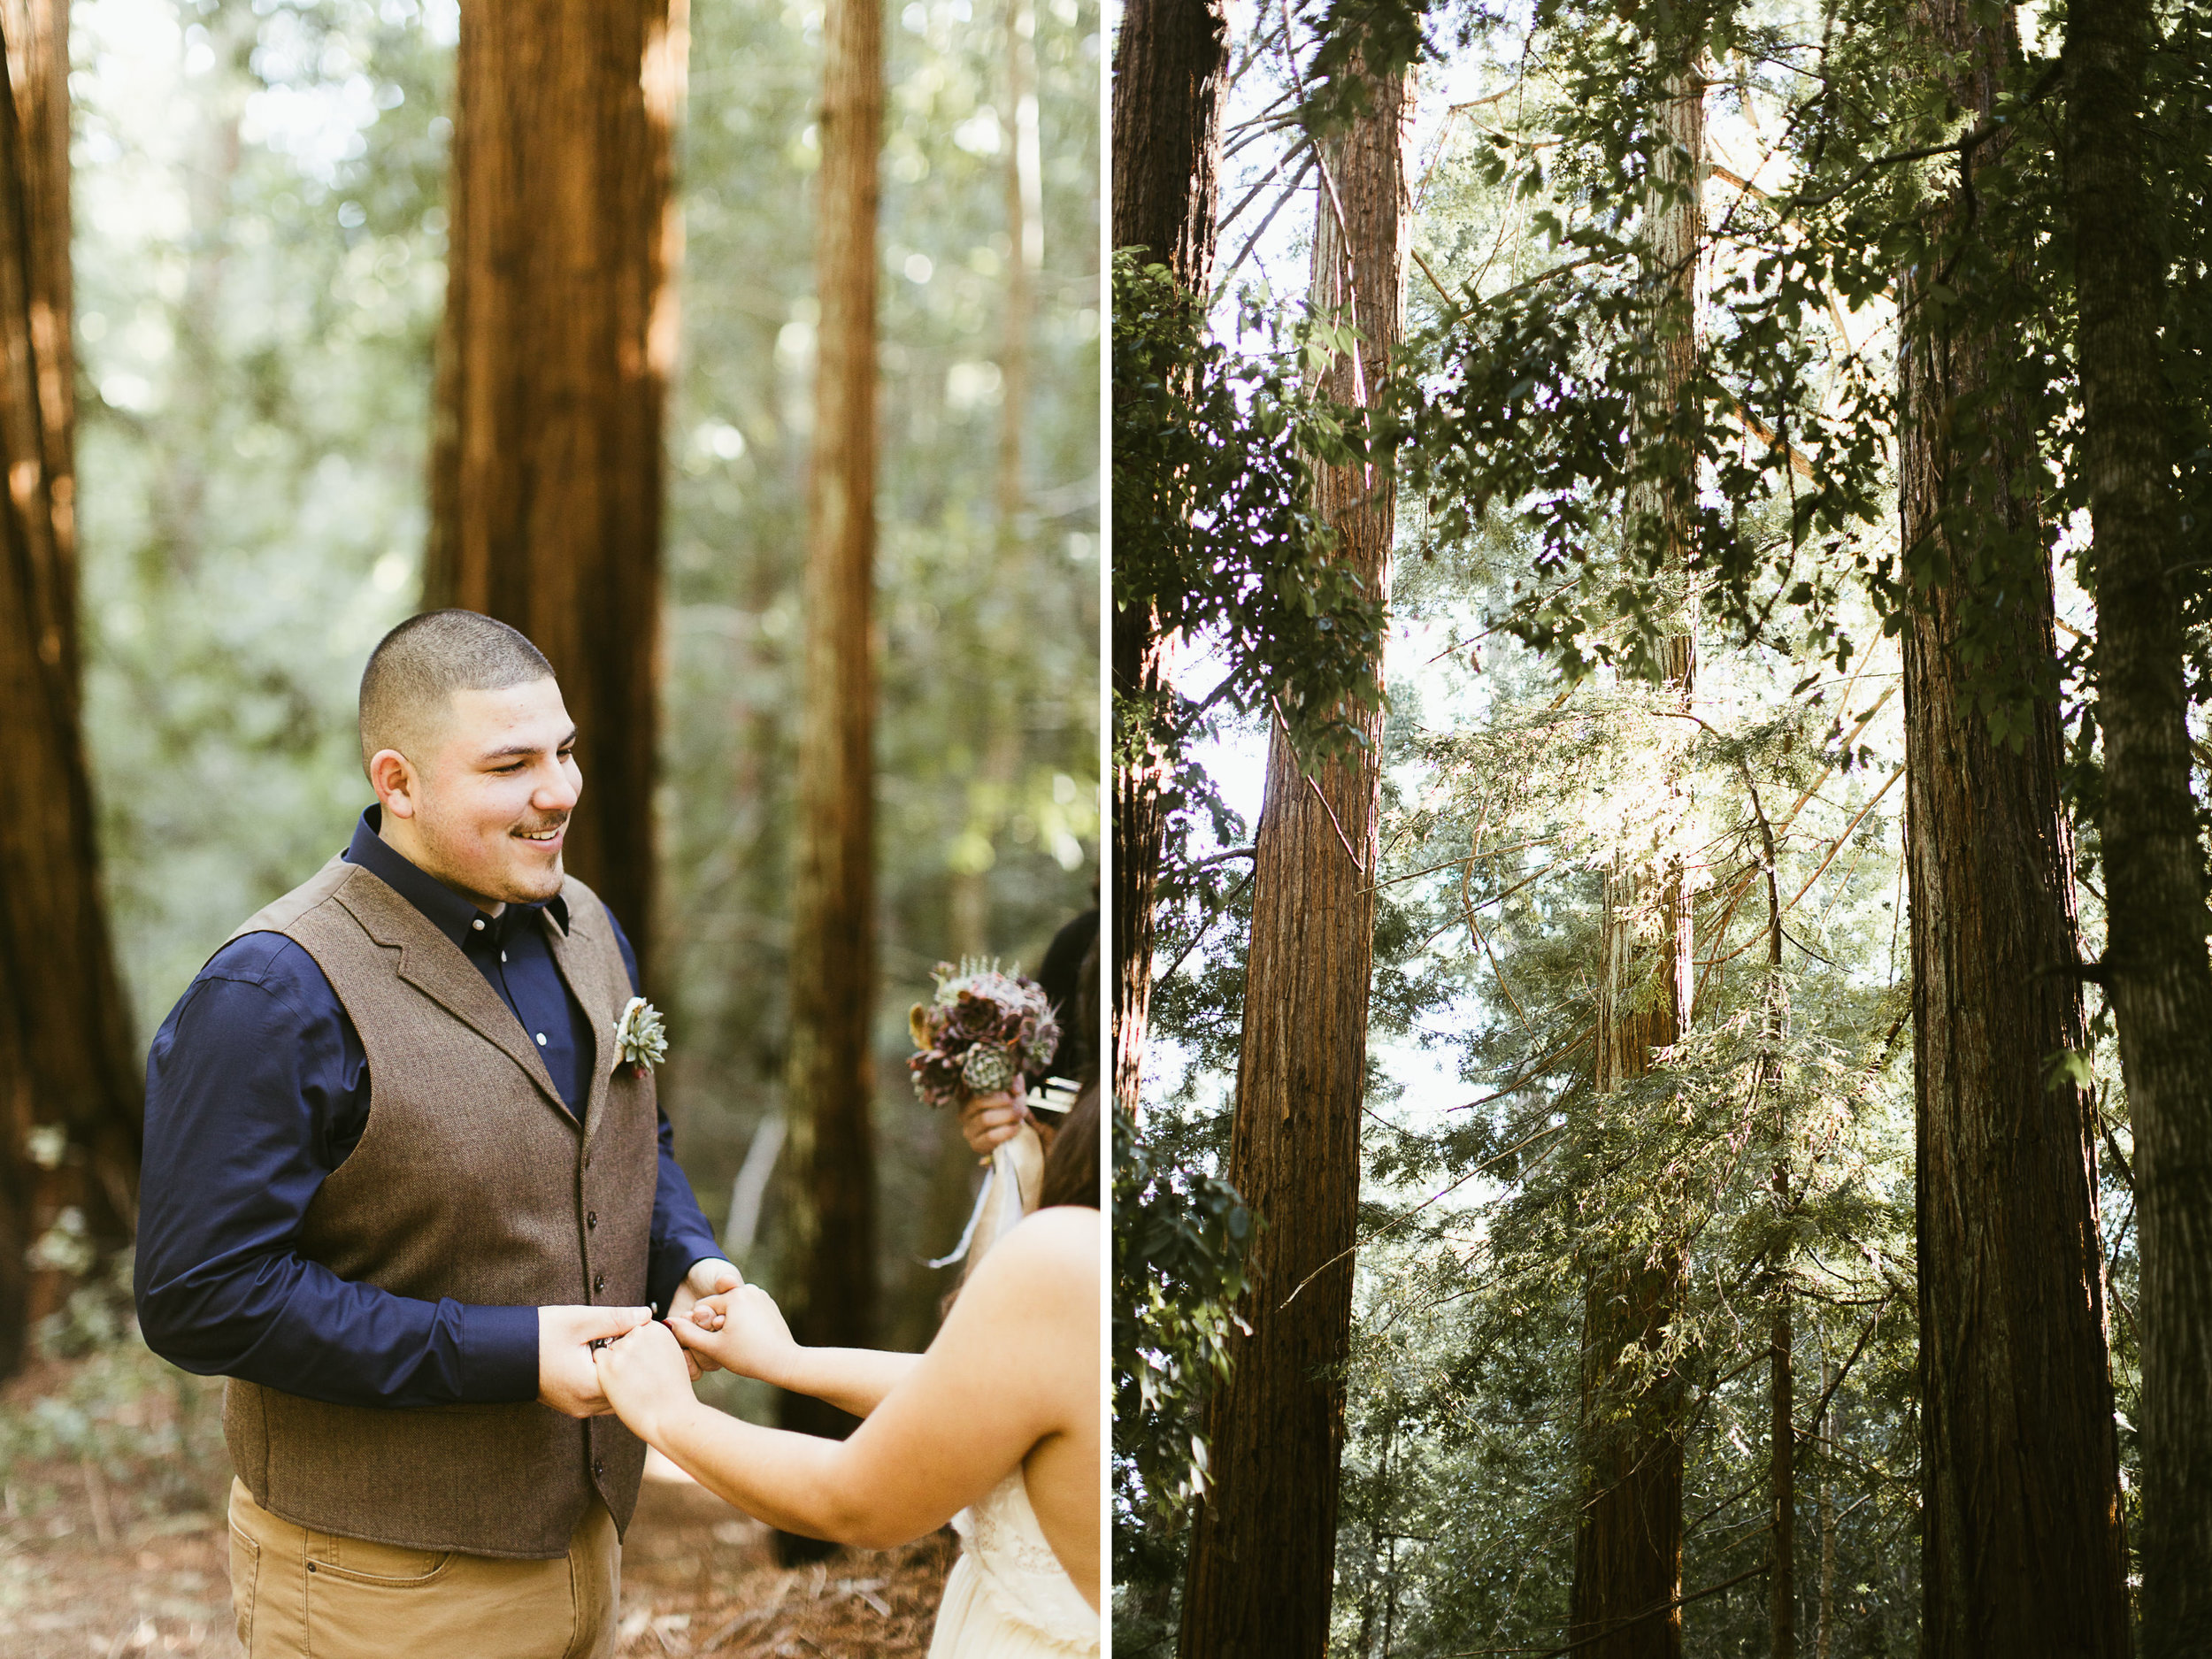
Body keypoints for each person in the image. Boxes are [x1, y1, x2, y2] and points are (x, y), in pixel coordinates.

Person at [134, 610, 742, 1659]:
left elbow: (631, 1134)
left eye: (564, 751)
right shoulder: (271, 990)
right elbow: (200, 1298)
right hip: (379, 1586)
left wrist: (686, 1257)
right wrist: (506, 1354)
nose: (559, 791)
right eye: (509, 766)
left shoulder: (588, 924)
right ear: (399, 782)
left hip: (588, 1549)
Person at [593, 1084, 1102, 1657]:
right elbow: (966, 1392)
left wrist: (668, 1415)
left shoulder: (1067, 1250)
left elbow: (854, 1498)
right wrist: (790, 1361)